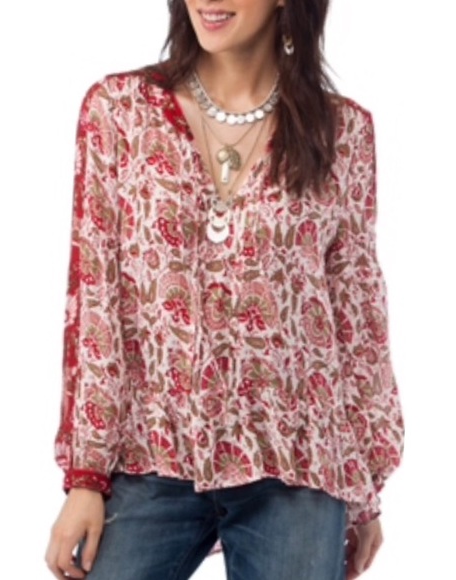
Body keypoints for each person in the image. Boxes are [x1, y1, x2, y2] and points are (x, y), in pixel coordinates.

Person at [45, 1, 405, 579]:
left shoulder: (342, 133)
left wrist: (363, 493)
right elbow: (94, 298)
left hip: (299, 462)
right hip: (150, 453)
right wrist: (86, 476)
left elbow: (357, 317)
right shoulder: (120, 111)